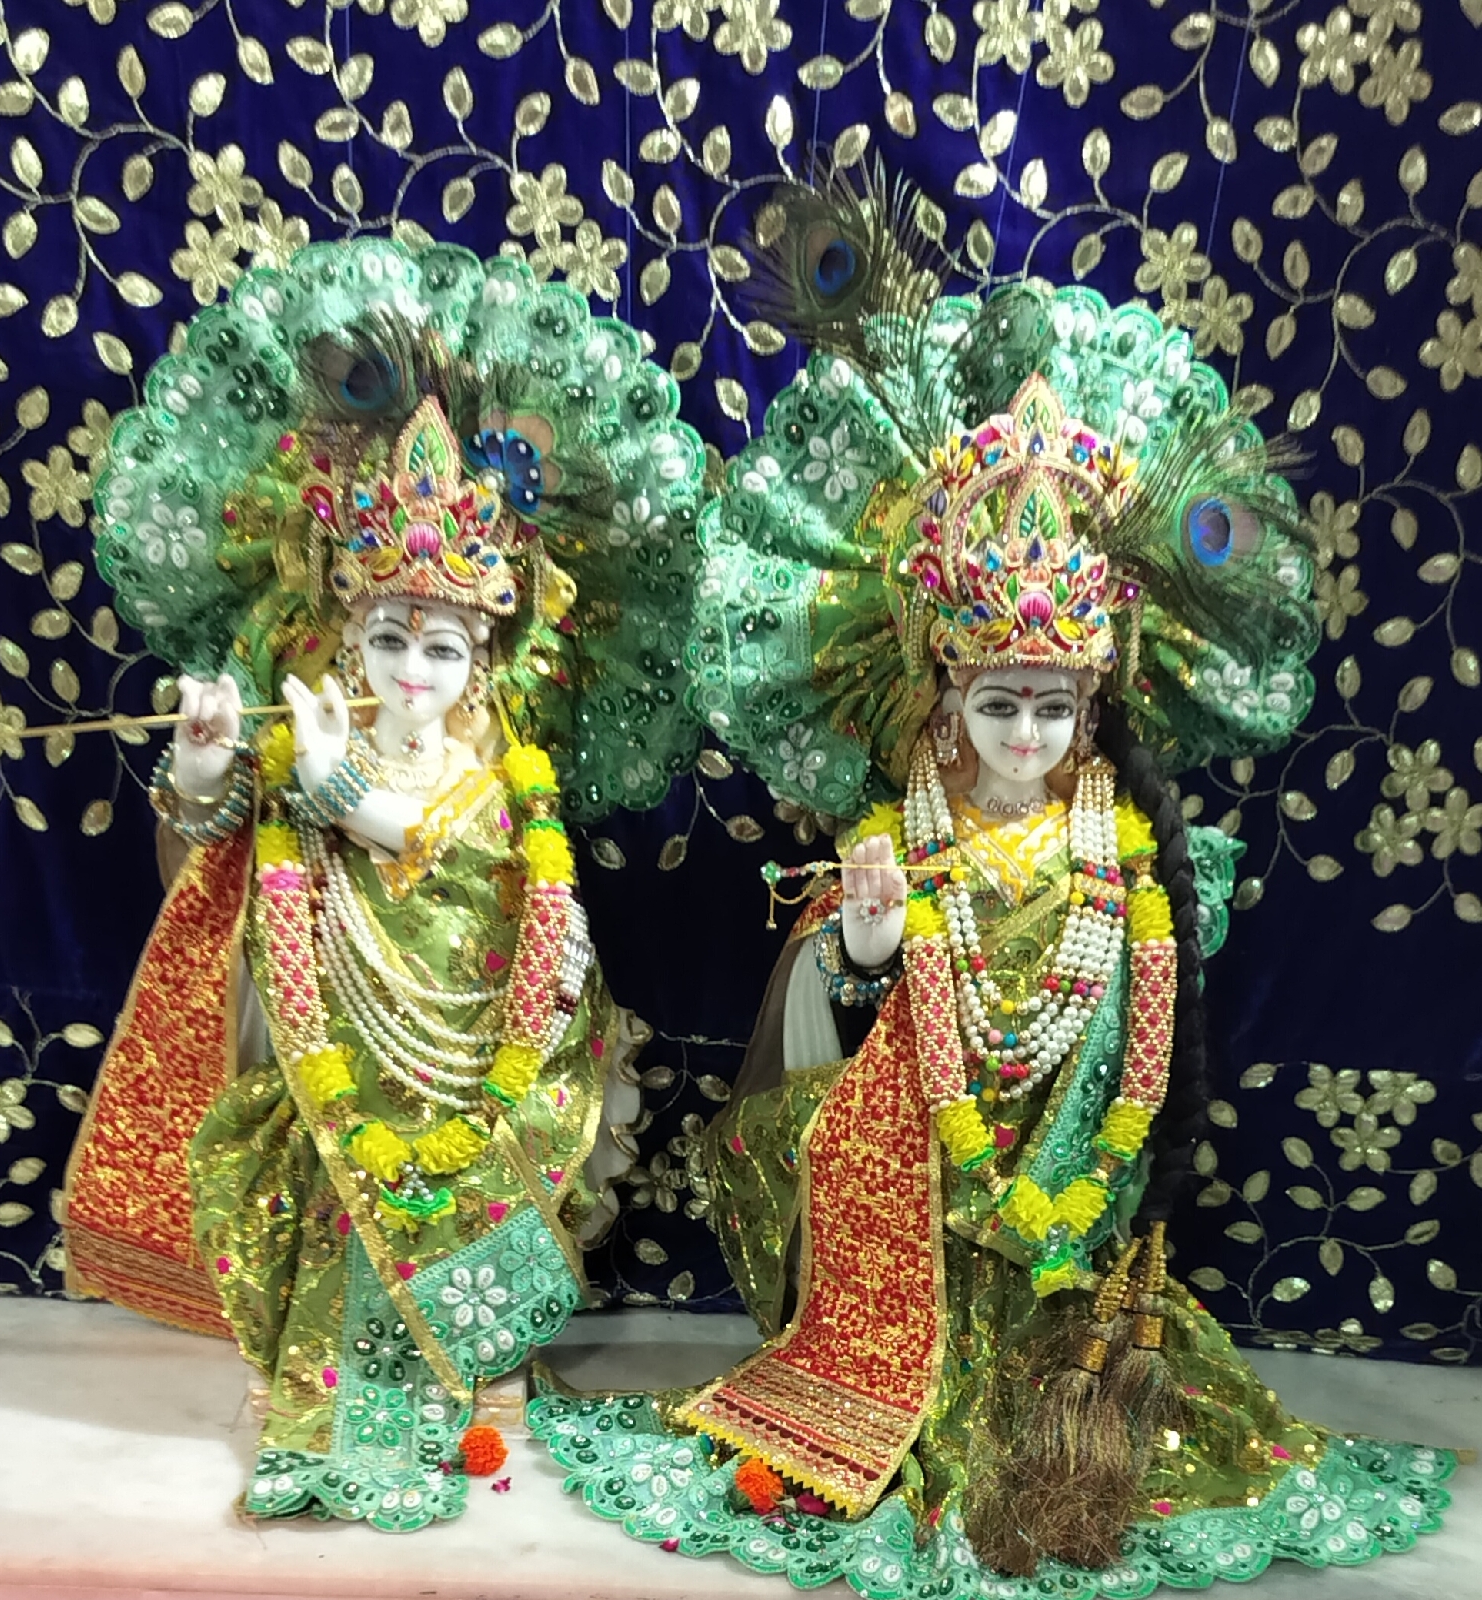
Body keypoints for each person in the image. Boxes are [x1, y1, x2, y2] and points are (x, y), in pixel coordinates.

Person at [531, 171, 1454, 1589]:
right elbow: (828, 1026)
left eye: (1051, 707)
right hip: (920, 1182)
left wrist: (1085, 1145)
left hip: (1073, 1181)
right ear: (944, 692)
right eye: (998, 704)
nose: (1025, 736)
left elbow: (1144, 1032)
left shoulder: (1127, 848)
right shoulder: (899, 829)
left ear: (1095, 702)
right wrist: (857, 950)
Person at [61, 237, 705, 1527]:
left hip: (480, 1056)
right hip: (339, 1063)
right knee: (330, 1169)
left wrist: (356, 797)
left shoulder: (507, 774)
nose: (415, 672)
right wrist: (206, 767)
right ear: (346, 628)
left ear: (488, 658)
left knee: (496, 1144)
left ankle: (470, 1347)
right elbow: (210, 849)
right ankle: (333, 1356)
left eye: (445, 648)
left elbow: (493, 875)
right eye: (392, 637)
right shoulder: (307, 739)